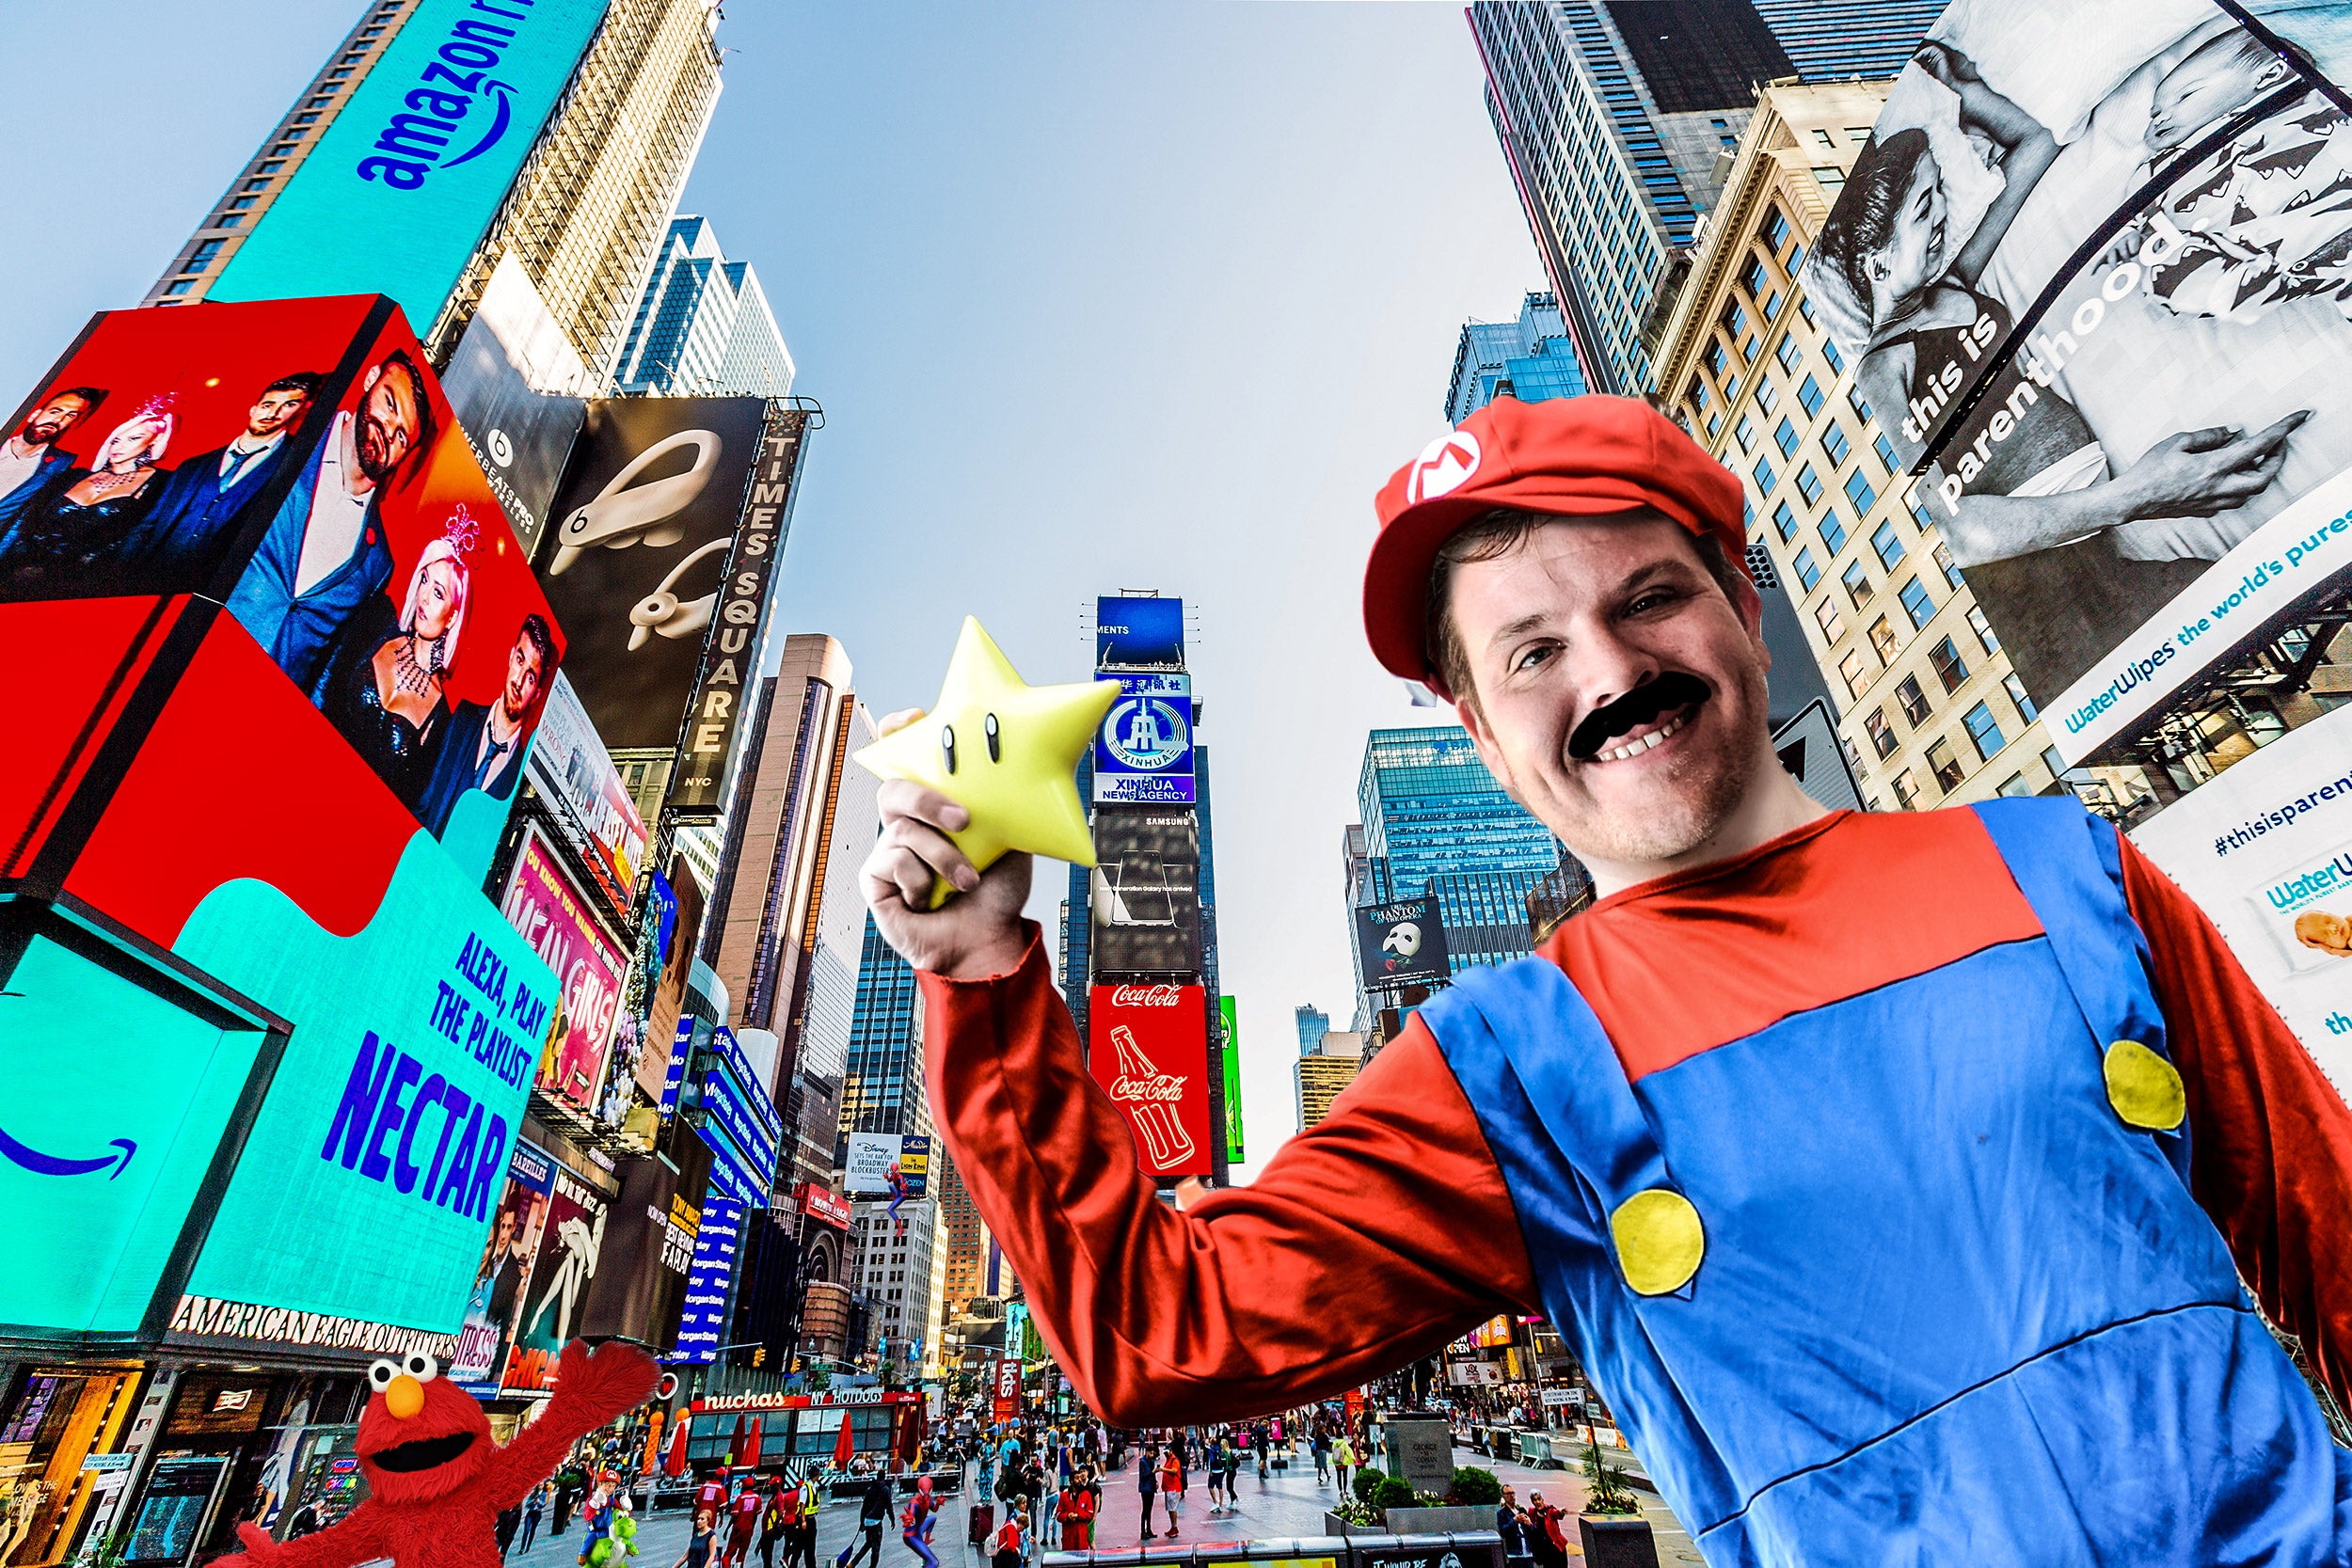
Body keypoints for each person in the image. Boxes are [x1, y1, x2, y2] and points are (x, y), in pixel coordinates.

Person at [864, 391, 2352, 1561]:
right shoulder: (1509, 1059)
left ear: (1742, 605)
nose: (1607, 669)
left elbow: (2334, 1232)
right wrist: (983, 974)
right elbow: (1154, 1325)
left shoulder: (2065, 871)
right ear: (1477, 733)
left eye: (1647, 596)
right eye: (1530, 652)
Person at [1827, 42, 2303, 573]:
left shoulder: (1953, 283)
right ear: (1876, 265)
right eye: (1923, 208)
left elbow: (2037, 143)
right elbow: (1959, 533)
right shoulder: (1880, 365)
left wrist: (1965, 94)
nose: (1943, 210)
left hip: (2105, 541)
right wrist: (2139, 495)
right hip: (2054, 571)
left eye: (1938, 191)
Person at [226, 347, 434, 699]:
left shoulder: (378, 561)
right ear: (370, 380)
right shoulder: (286, 444)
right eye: (389, 404)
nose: (388, 430)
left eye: (402, 436)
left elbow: (326, 670)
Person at [321, 516, 471, 808]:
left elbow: (412, 802)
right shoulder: (379, 625)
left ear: (452, 617)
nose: (424, 597)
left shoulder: (442, 716)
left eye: (438, 593)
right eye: (424, 580)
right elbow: (326, 680)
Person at [124, 372, 321, 583]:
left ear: (302, 412)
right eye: (267, 404)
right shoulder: (193, 466)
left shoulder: (300, 468)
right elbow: (148, 525)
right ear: (253, 409)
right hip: (149, 580)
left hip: (216, 588)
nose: (273, 413)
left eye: (289, 405)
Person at [0, 395, 175, 595]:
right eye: (115, 440)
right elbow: (26, 521)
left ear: (156, 440)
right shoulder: (74, 474)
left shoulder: (160, 484)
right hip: (14, 569)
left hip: (74, 586)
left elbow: (138, 540)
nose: (118, 447)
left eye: (134, 439)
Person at [416, 610, 553, 834]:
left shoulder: (519, 772)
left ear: (536, 693)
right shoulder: (462, 717)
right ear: (510, 657)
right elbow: (425, 799)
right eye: (520, 660)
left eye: (530, 677)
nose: (518, 681)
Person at [0, 386, 103, 536]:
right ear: (34, 415)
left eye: (70, 416)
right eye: (55, 411)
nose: (58, 420)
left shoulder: (60, 466)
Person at [836, 1474, 892, 1568]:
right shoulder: (885, 1490)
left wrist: (862, 1522)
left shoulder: (870, 1489)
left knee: (868, 1544)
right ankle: (872, 1566)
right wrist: (892, 1519)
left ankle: (852, 1563)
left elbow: (864, 1507)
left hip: (867, 1521)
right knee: (876, 1548)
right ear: (884, 1478)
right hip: (876, 1522)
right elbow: (889, 1506)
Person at [722, 1473, 764, 1568]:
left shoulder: (740, 1498)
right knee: (741, 1555)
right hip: (748, 1530)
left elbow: (734, 1516)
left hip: (737, 1529)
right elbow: (756, 1516)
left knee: (728, 1555)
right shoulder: (757, 1498)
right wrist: (751, 1528)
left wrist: (727, 1529)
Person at [900, 1475, 938, 1568]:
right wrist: (909, 1520)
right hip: (911, 1535)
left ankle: (925, 1540)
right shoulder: (915, 1502)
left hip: (918, 1529)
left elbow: (934, 1508)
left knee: (933, 1518)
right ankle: (923, 1543)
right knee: (933, 1562)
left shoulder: (928, 1499)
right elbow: (911, 1514)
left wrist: (938, 1504)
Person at [1156, 1446, 1183, 1540]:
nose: (1166, 1454)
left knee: (1173, 1508)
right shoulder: (1169, 1460)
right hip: (1168, 1488)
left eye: (1167, 1452)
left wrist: (1162, 1469)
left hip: (1174, 1488)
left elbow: (1174, 1471)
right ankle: (1172, 1526)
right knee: (1170, 1509)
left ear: (1171, 1451)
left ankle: (1175, 1527)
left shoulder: (1174, 1460)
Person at [988, 1504, 1025, 1568]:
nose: (1022, 1531)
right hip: (1005, 1557)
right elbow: (1011, 1544)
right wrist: (1017, 1549)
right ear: (1020, 1524)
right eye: (1023, 1528)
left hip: (1000, 1555)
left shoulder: (1009, 1523)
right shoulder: (1012, 1529)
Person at [1135, 1444, 1157, 1541]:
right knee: (1145, 1510)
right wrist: (1153, 1472)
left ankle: (1149, 1529)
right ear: (1147, 1452)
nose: (1152, 1455)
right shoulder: (1142, 1462)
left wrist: (1155, 1481)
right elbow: (1144, 1475)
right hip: (1145, 1488)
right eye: (1151, 1453)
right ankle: (1143, 1531)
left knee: (1150, 1510)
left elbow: (1153, 1474)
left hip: (1151, 1487)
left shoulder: (1151, 1461)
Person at [519, 1486, 547, 1556]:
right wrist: (532, 1502)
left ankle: (528, 1546)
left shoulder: (544, 1494)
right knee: (526, 1530)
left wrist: (539, 1502)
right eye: (539, 1485)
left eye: (542, 1485)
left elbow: (543, 1504)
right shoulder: (533, 1494)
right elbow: (527, 1504)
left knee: (532, 1530)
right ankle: (522, 1548)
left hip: (537, 1513)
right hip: (530, 1513)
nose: (541, 1487)